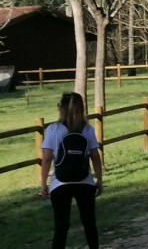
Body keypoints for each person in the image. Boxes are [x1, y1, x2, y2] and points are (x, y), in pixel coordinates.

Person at [40, 92, 103, 249]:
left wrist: (43, 184)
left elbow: (47, 158)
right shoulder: (87, 129)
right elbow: (95, 156)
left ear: (61, 108)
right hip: (85, 181)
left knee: (61, 227)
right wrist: (99, 181)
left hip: (60, 183)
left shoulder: (53, 129)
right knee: (89, 224)